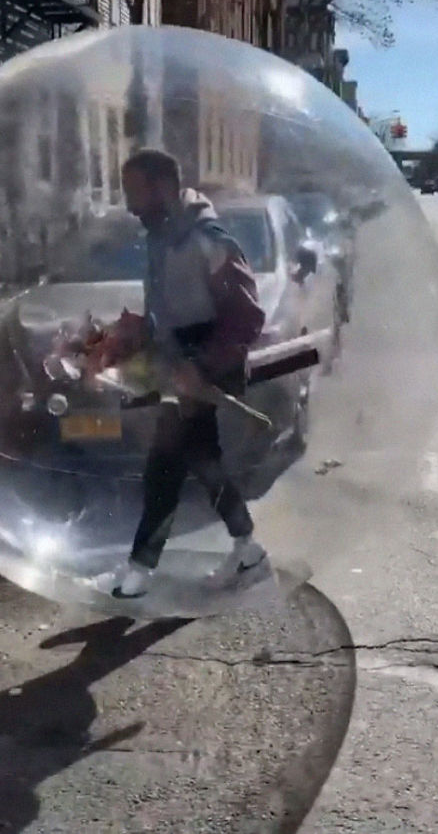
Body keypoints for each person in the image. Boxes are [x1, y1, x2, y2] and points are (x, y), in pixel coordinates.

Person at [93, 148, 269, 598]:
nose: (129, 205)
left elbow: (247, 318)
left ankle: (140, 570)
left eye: (134, 191)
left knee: (165, 464)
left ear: (164, 188)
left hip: (207, 366)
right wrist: (135, 332)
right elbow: (170, 314)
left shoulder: (207, 238)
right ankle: (248, 547)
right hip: (178, 365)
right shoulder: (160, 238)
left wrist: (202, 365)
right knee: (202, 461)